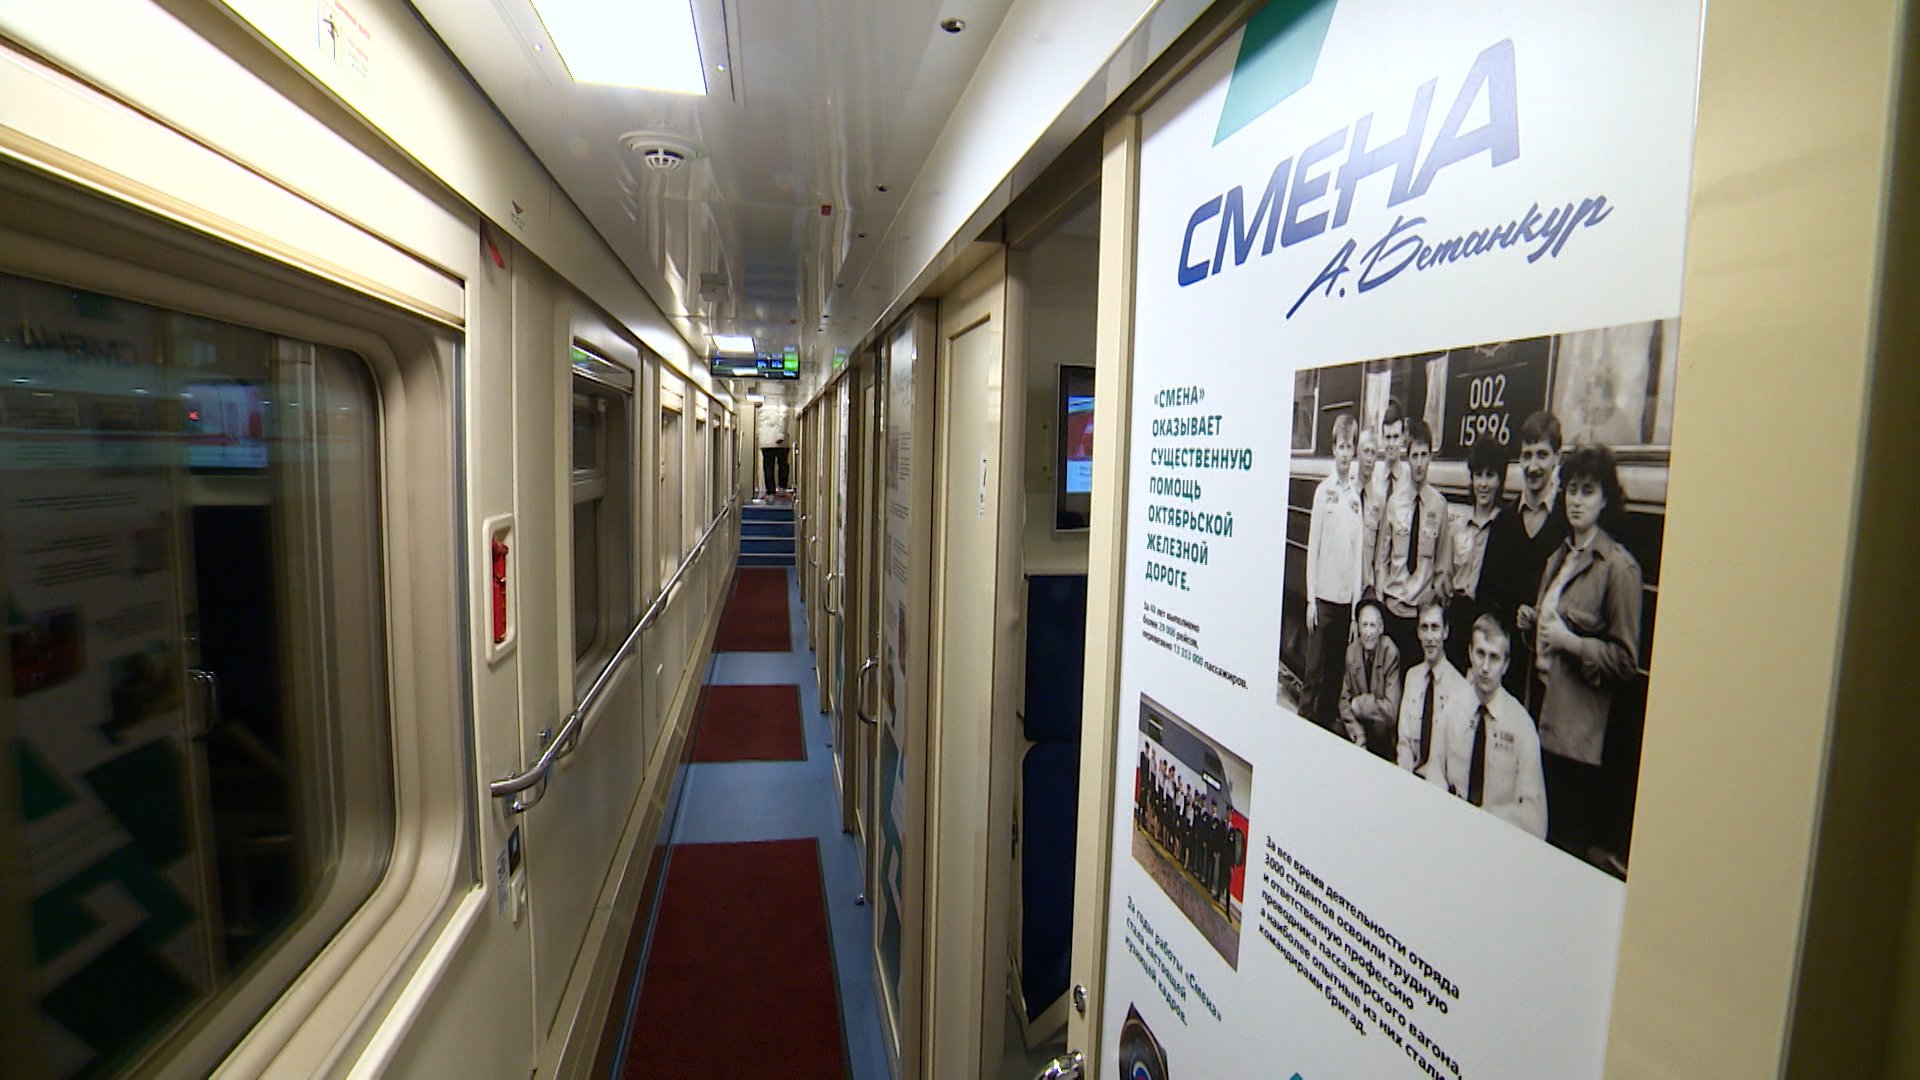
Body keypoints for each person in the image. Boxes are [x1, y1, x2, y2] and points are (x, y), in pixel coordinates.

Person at [1533, 444, 1643, 868]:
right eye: (1572, 490)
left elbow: (1625, 661)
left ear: (1605, 500)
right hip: (1541, 720)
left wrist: (1569, 642)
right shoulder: (1558, 558)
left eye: (1588, 491)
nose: (1577, 500)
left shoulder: (1618, 568)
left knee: (1564, 850)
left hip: (1576, 741)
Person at [1427, 614, 1548, 838]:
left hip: (1498, 836)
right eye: (1480, 653)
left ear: (1506, 665)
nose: (1484, 667)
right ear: (1470, 653)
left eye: (1494, 658)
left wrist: (1486, 820)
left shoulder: (1521, 725)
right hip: (1449, 829)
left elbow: (1536, 817)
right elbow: (1434, 771)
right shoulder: (1451, 709)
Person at [1482, 411, 1568, 705]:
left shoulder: (1566, 522)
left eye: (1542, 455)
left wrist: (1539, 616)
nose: (1533, 466)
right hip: (1506, 666)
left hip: (1550, 672)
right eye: (1527, 455)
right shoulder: (1504, 522)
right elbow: (1486, 595)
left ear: (1557, 458)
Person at [1373, 418, 1453, 665]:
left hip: (1420, 617)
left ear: (1430, 457)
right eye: (1414, 455)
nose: (1419, 463)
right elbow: (1382, 557)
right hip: (1393, 609)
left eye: (1424, 455)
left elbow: (1442, 565)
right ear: (1407, 458)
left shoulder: (1439, 505)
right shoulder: (1394, 503)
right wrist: (1383, 596)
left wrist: (1433, 607)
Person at [1303, 412, 1364, 732]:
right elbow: (1313, 546)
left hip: (1344, 605)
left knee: (1334, 676)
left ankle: (1323, 725)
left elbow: (1357, 557)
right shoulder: (1322, 491)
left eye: (1349, 447)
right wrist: (1311, 599)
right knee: (1313, 672)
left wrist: (1354, 611)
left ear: (1354, 452)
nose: (1345, 453)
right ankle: (1301, 723)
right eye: (1340, 446)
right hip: (1323, 603)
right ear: (1333, 449)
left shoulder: (1355, 500)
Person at [1446, 439, 1507, 669]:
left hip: (1485, 619)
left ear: (1499, 480)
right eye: (1478, 475)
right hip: (1457, 614)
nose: (1483, 484)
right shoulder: (1460, 525)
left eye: (1490, 475)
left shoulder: (1504, 526)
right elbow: (1449, 572)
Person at [1396, 601, 1469, 777]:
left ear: (1445, 632)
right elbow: (1404, 741)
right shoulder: (1412, 677)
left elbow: (1457, 756)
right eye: (1424, 628)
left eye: (1435, 628)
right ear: (1418, 633)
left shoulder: (1460, 687)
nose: (1429, 637)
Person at [1338, 598, 1401, 760]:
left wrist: (1360, 704)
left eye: (1372, 625)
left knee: (1380, 731)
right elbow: (1344, 700)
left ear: (1381, 628)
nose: (1368, 632)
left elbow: (1391, 711)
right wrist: (1357, 731)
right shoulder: (1352, 651)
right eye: (1364, 625)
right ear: (1358, 627)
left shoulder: (1390, 652)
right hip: (1360, 726)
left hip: (1381, 731)